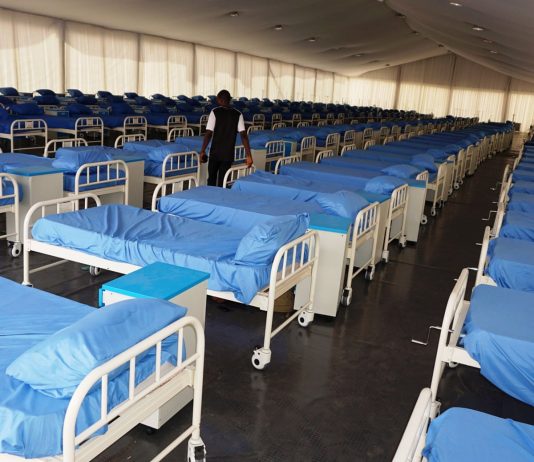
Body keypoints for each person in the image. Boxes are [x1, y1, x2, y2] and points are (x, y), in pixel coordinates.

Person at [199, 89, 253, 187]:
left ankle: (210, 196)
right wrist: (249, 155)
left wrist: (202, 151)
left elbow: (208, 133)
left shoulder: (215, 112)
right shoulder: (238, 114)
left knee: (211, 179)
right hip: (228, 154)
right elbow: (244, 136)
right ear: (229, 100)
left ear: (220, 100)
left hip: (215, 153)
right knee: (223, 182)